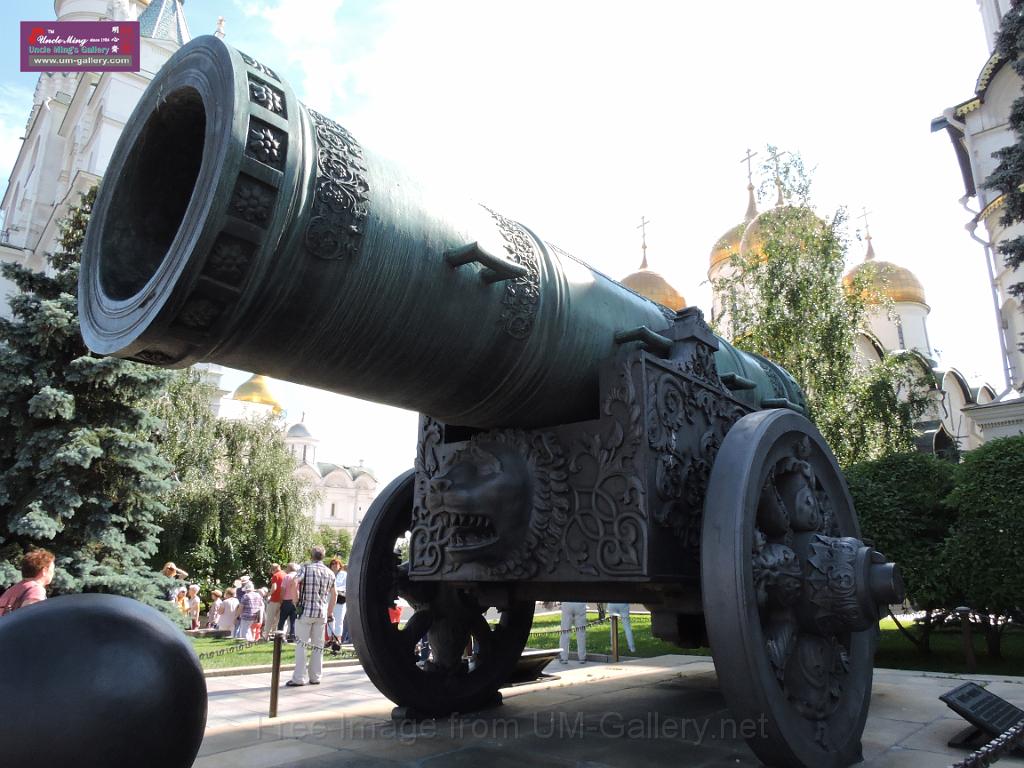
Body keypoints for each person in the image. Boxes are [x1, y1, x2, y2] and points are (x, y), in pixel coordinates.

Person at [286, 546, 337, 687]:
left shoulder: (306, 568)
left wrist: (296, 601)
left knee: (301, 645)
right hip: (321, 613)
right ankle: (315, 677)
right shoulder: (330, 572)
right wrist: (330, 612)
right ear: (323, 556)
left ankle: (299, 678)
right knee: (318, 647)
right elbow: (335, 594)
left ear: (311, 555)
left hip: (305, 612)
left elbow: (294, 582)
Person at [0, 549, 55, 617]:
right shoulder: (36, 590)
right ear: (44, 571)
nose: (53, 573)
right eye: (52, 569)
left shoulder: (12, 589)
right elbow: (31, 618)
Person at [278, 563, 300, 641]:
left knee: (282, 620)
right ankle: (292, 636)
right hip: (295, 601)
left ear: (289, 568)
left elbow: (283, 590)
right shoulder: (298, 577)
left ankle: (279, 636)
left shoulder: (287, 577)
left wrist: (281, 600)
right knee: (293, 620)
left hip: (286, 601)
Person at [328, 558, 346, 641]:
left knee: (339, 620)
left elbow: (345, 586)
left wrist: (335, 590)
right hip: (329, 600)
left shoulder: (344, 574)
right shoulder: (328, 574)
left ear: (340, 565)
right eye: (333, 563)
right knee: (329, 619)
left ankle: (338, 639)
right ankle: (330, 639)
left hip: (340, 600)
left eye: (336, 563)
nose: (334, 565)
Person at [265, 563, 284, 637]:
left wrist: (268, 594)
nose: (272, 572)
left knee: (269, 618)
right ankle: (275, 635)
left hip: (274, 600)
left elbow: (274, 588)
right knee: (278, 620)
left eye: (272, 570)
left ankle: (266, 635)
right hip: (282, 601)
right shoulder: (285, 574)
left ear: (274, 569)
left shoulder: (275, 576)